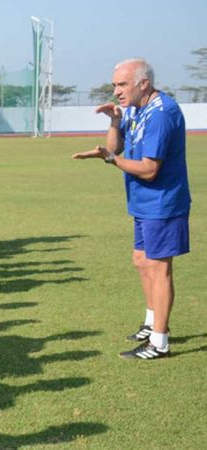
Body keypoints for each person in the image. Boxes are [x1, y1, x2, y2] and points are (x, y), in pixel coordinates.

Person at [72, 58, 190, 360]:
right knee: (141, 260)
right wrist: (114, 121)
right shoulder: (137, 109)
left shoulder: (163, 113)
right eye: (114, 85)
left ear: (143, 83)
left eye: (122, 84)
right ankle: (152, 323)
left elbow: (149, 169)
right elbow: (116, 148)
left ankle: (159, 342)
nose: (117, 91)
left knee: (159, 268)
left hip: (162, 202)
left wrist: (109, 160)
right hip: (142, 201)